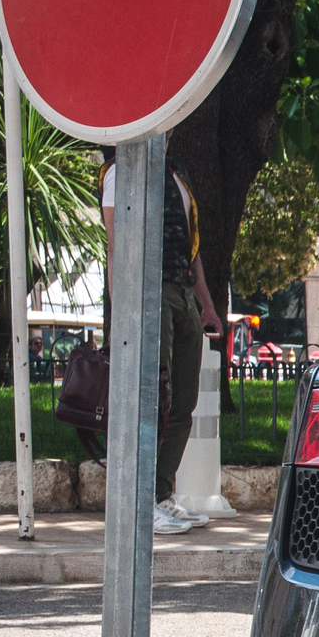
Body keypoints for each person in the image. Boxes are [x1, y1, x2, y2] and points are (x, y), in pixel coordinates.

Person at [100, 153, 222, 534]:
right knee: (152, 400)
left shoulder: (178, 172)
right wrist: (121, 310)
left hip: (182, 292)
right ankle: (141, 502)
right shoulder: (123, 170)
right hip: (148, 291)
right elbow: (115, 243)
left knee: (183, 402)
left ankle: (160, 494)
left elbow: (192, 247)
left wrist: (206, 304)